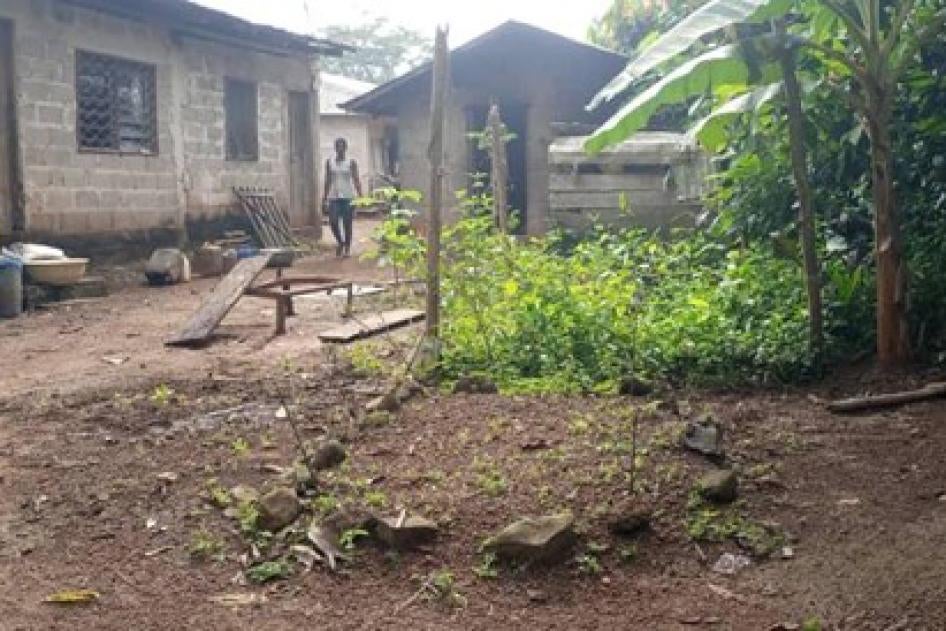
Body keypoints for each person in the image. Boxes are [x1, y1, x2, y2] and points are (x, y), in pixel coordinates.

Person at [322, 137, 363, 257]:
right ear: (335, 148)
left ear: (345, 148)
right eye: (337, 146)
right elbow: (328, 180)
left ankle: (347, 249)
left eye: (342, 146)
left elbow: (356, 179)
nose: (339, 149)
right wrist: (324, 197)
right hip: (334, 197)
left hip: (348, 197)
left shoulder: (351, 162)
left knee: (347, 223)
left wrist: (361, 196)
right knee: (333, 221)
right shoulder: (329, 162)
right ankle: (340, 242)